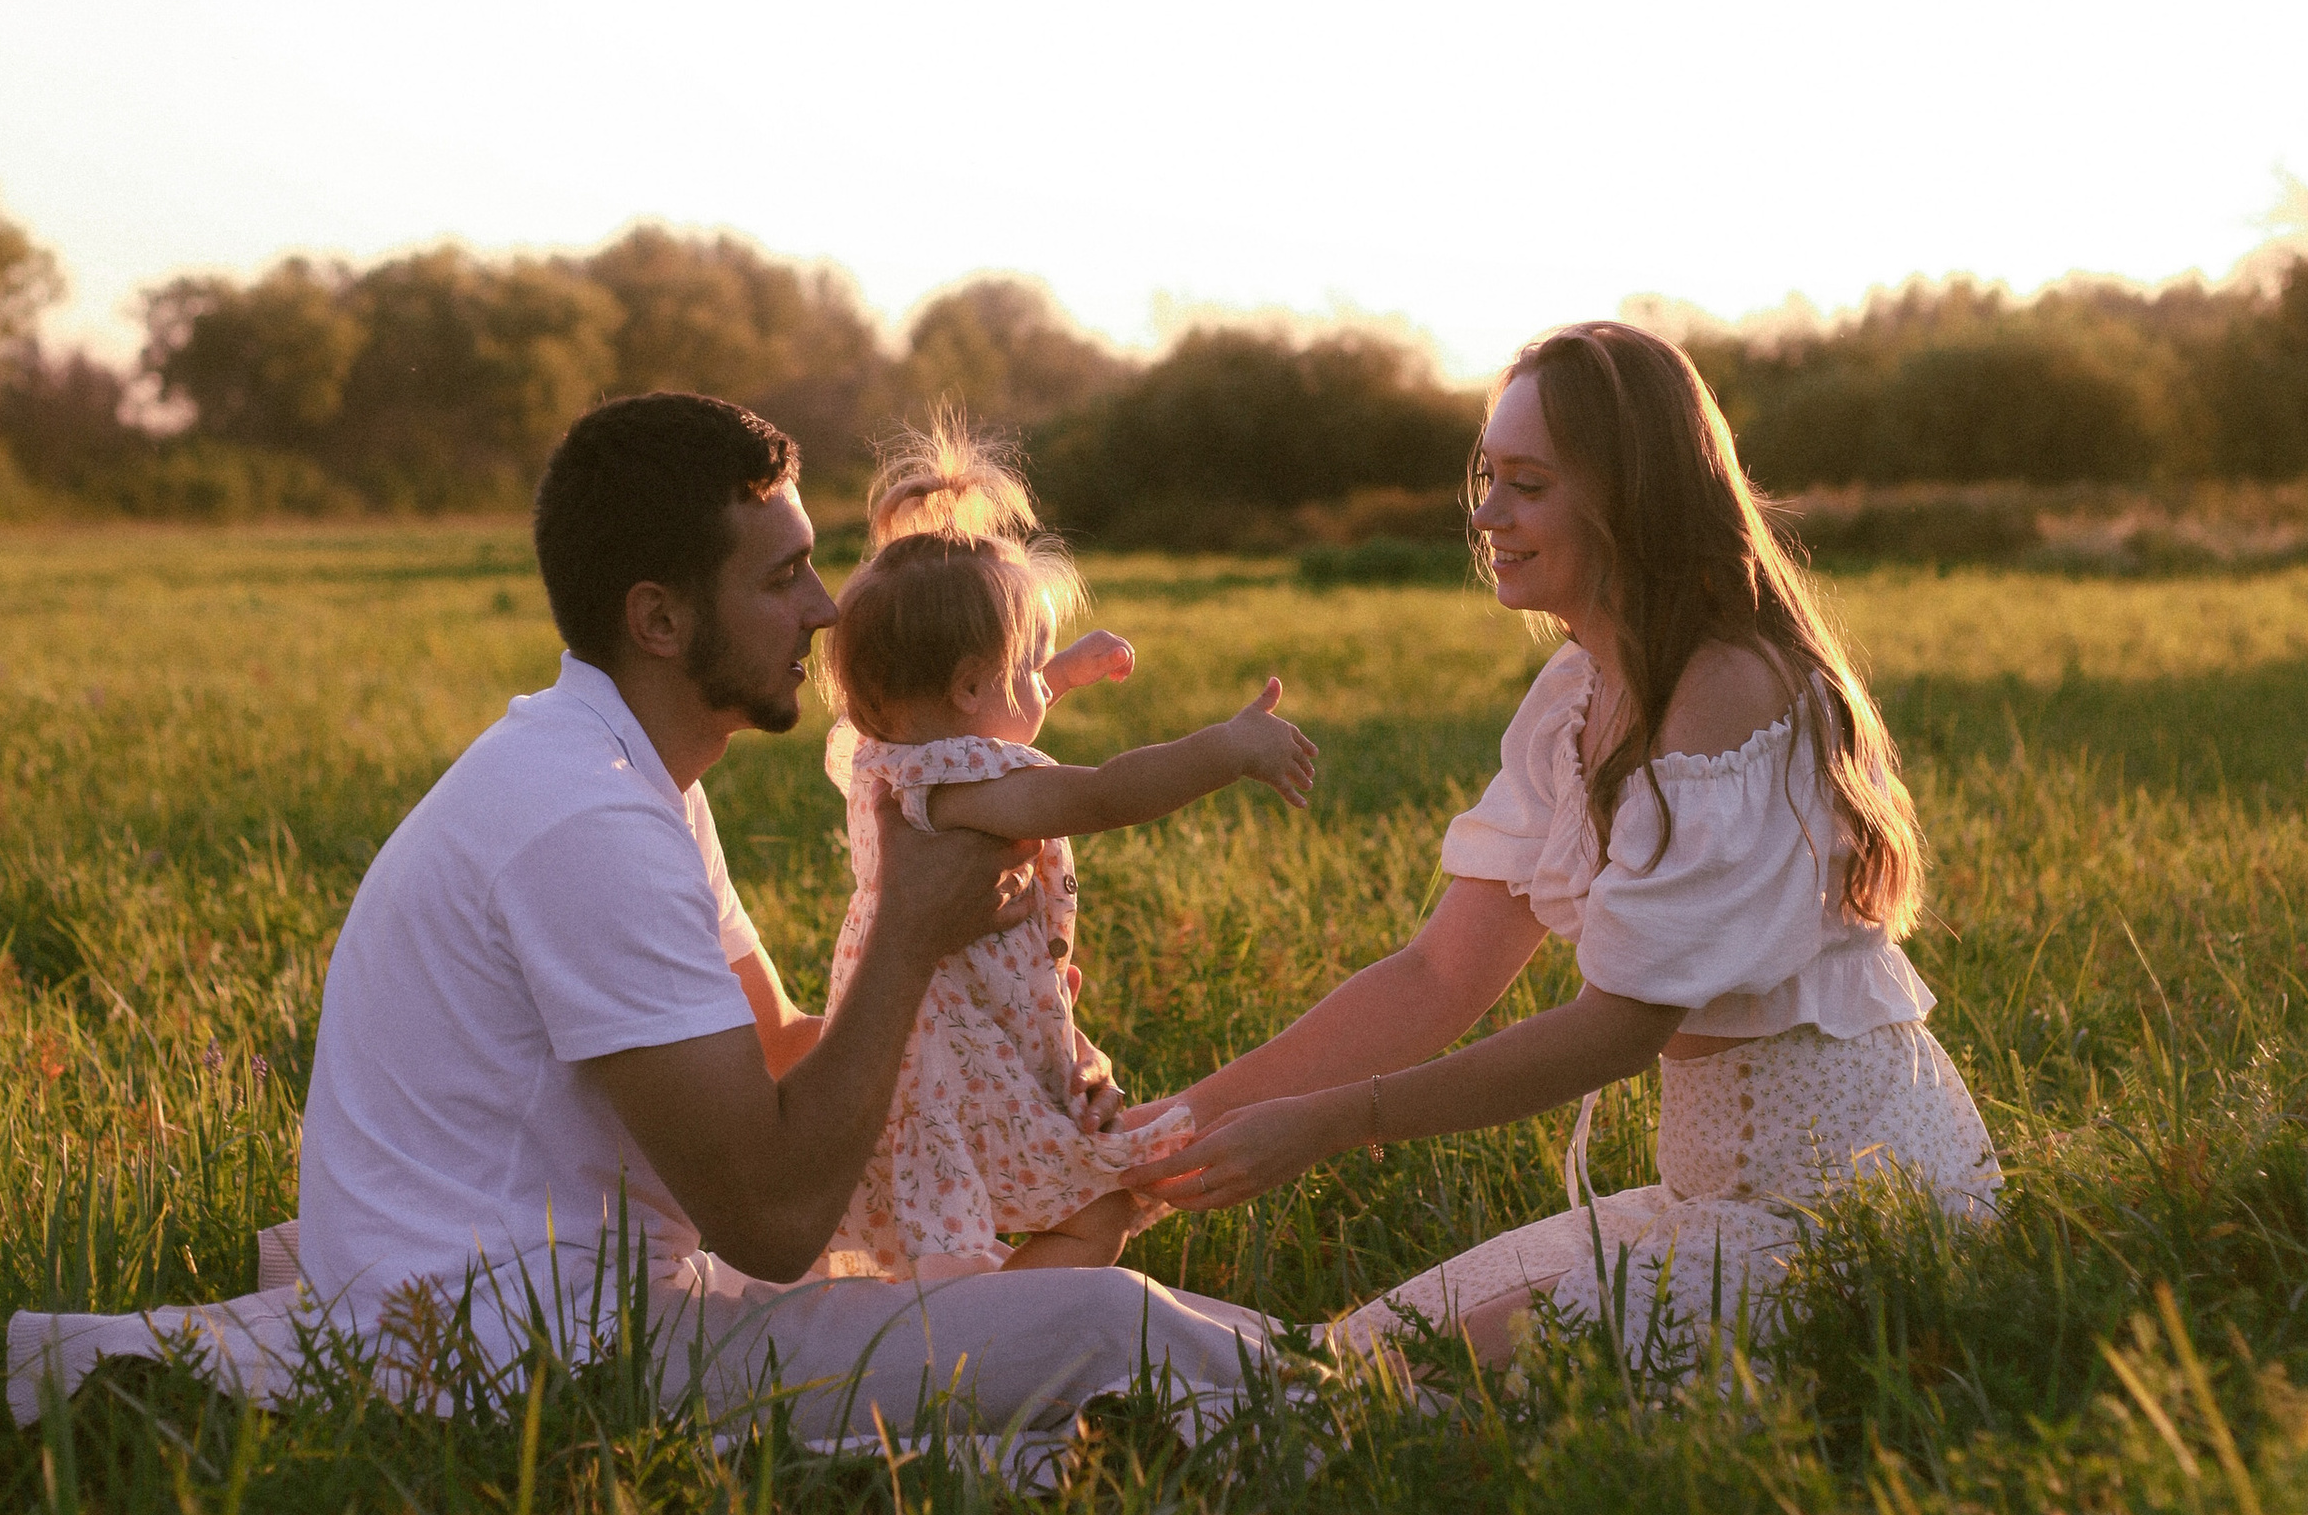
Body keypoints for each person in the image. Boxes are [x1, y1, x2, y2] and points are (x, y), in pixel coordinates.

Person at [294, 391, 1277, 1446]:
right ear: (659, 620)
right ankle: (1384, 1413)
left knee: (1160, 1320)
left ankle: (1325, 1370)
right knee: (1105, 1321)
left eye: (812, 563)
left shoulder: (632, 777)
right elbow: (772, 1222)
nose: (823, 609)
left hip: (579, 1301)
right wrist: (907, 936)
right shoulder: (585, 822)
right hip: (517, 1353)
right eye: (780, 577)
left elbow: (776, 1057)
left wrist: (1016, 1081)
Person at [1141, 324, 2000, 1364]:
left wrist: (1326, 1123)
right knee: (1346, 1354)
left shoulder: (1730, 690)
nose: (1485, 513)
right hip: (1704, 1201)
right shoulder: (1575, 696)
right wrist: (1167, 1133)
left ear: (1630, 499)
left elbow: (1616, 1032)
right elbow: (1435, 975)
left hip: (1843, 1215)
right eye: (1488, 477)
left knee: (1407, 1385)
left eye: (1529, 485)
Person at [816, 419, 1315, 1278]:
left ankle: (971, 1328)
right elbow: (1101, 794)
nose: (1040, 686)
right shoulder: (976, 783)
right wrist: (1227, 750)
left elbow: (980, 706)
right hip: (949, 1068)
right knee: (1088, 1211)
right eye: (1030, 666)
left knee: (975, 1225)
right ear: (972, 684)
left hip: (942, 1046)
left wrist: (1058, 672)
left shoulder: (886, 754)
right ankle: (995, 1345)